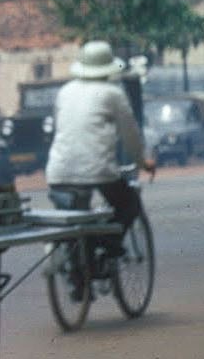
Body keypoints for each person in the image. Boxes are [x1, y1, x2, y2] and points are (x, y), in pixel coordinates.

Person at [45, 40, 157, 257]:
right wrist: (143, 162)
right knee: (130, 203)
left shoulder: (65, 91)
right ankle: (107, 246)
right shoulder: (112, 93)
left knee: (76, 217)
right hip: (97, 172)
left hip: (58, 172)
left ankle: (79, 267)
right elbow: (130, 135)